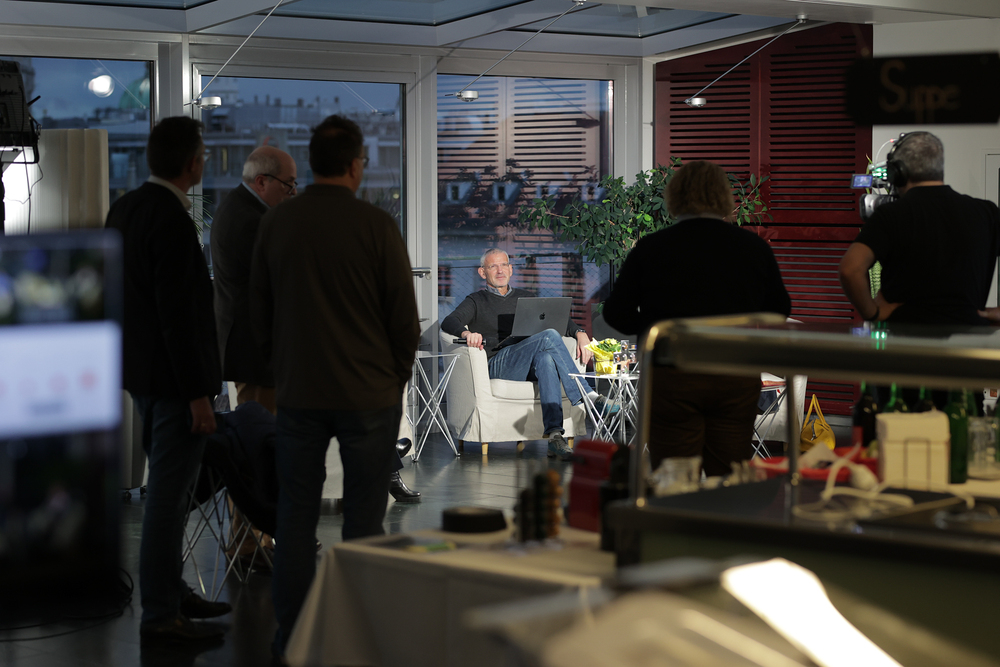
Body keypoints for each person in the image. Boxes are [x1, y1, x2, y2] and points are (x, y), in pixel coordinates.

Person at [250, 115, 419, 659]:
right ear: (355, 165)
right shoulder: (376, 225)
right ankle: (355, 641)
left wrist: (283, 370)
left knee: (295, 518)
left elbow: (259, 313)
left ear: (313, 162)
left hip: (299, 393)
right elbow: (404, 321)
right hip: (368, 395)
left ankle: (293, 639)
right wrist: (393, 381)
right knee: (364, 521)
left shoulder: (278, 223)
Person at [105, 116, 230, 642]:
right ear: (193, 162)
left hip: (141, 376)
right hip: (176, 383)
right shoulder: (173, 220)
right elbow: (179, 318)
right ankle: (161, 614)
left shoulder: (124, 209)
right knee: (168, 499)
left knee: (168, 493)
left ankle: (171, 593)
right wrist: (198, 395)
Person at [602, 160, 791, 476]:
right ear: (723, 196)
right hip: (734, 374)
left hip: (672, 374)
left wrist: (655, 331)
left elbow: (615, 311)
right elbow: (780, 308)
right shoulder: (753, 247)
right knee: (729, 475)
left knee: (673, 477)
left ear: (675, 196)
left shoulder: (652, 248)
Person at [440, 248, 614, 461]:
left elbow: (560, 320)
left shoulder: (526, 297)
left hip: (527, 364)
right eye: (493, 266)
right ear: (482, 272)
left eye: (504, 265)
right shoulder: (476, 300)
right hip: (497, 364)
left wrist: (579, 332)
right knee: (549, 335)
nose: (500, 270)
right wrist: (467, 333)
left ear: (511, 269)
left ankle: (555, 436)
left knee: (546, 359)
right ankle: (588, 395)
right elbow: (449, 321)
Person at [839, 131, 1000, 326]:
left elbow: (850, 269)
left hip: (906, 337)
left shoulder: (890, 215)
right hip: (969, 338)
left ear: (898, 172)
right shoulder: (987, 212)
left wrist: (873, 313)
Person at [212, 145, 297, 414]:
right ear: (261, 182)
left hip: (255, 349)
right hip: (257, 354)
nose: (293, 192)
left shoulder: (239, 207)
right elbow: (279, 283)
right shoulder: (249, 221)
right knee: (262, 431)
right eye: (288, 184)